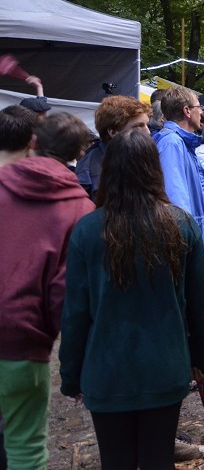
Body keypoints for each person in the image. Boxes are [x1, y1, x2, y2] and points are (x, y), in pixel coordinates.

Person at [59, 130, 204, 470]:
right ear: (153, 169)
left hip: (107, 370)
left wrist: (71, 375)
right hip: (165, 367)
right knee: (158, 460)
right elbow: (198, 306)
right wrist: (199, 358)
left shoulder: (88, 230)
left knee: (116, 462)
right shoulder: (180, 224)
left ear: (109, 169)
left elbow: (75, 313)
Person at [0, 113, 95, 470]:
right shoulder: (80, 209)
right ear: (80, 153)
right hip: (24, 344)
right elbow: (64, 294)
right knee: (27, 448)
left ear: (33, 142)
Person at [153, 87, 204, 258]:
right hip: (185, 248)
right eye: (199, 107)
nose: (201, 112)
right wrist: (190, 247)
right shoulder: (172, 144)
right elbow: (176, 204)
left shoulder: (181, 142)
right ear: (187, 111)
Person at [75, 95, 151, 198]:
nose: (148, 132)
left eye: (147, 125)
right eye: (138, 126)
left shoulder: (137, 156)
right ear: (113, 132)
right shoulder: (93, 169)